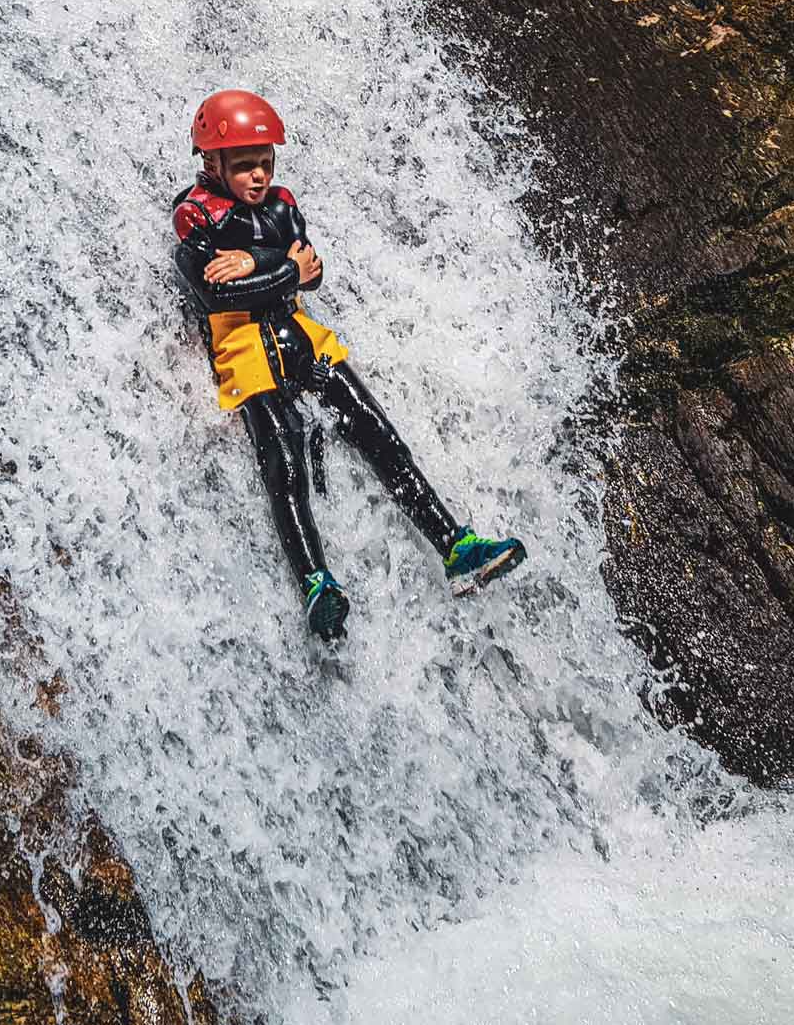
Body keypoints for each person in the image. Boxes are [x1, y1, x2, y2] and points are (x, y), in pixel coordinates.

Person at [170, 88, 527, 641]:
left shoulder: (283, 206)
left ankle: (456, 546)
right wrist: (283, 267)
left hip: (303, 337)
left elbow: (311, 269)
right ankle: (316, 583)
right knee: (284, 468)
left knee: (380, 436)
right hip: (243, 351)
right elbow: (221, 299)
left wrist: (262, 264)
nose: (259, 176)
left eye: (265, 162)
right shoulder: (195, 220)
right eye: (244, 166)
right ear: (211, 163)